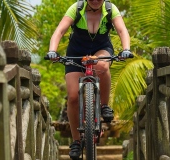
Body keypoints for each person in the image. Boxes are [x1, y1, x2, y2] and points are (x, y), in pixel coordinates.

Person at [47, 0, 132, 159]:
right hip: (76, 53)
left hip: (101, 50)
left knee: (103, 66)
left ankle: (104, 105)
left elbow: (122, 31)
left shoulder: (110, 9)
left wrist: (126, 49)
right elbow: (59, 31)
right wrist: (52, 51)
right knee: (72, 97)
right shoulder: (77, 8)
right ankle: (77, 142)